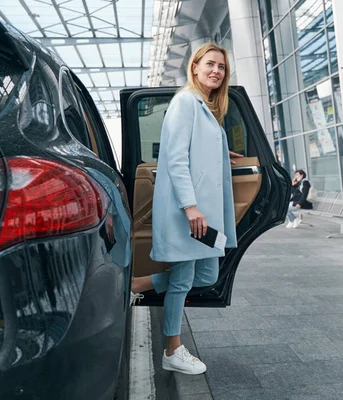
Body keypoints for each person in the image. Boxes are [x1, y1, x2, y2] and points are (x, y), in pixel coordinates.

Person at [130, 42, 241, 375]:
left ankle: (139, 284)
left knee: (208, 273)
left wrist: (222, 152)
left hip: (202, 212)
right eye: (210, 64)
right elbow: (175, 159)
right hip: (190, 212)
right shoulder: (184, 102)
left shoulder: (204, 107)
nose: (216, 71)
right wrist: (190, 207)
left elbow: (196, 151)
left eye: (221, 67)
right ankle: (172, 349)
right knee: (182, 278)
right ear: (194, 66)